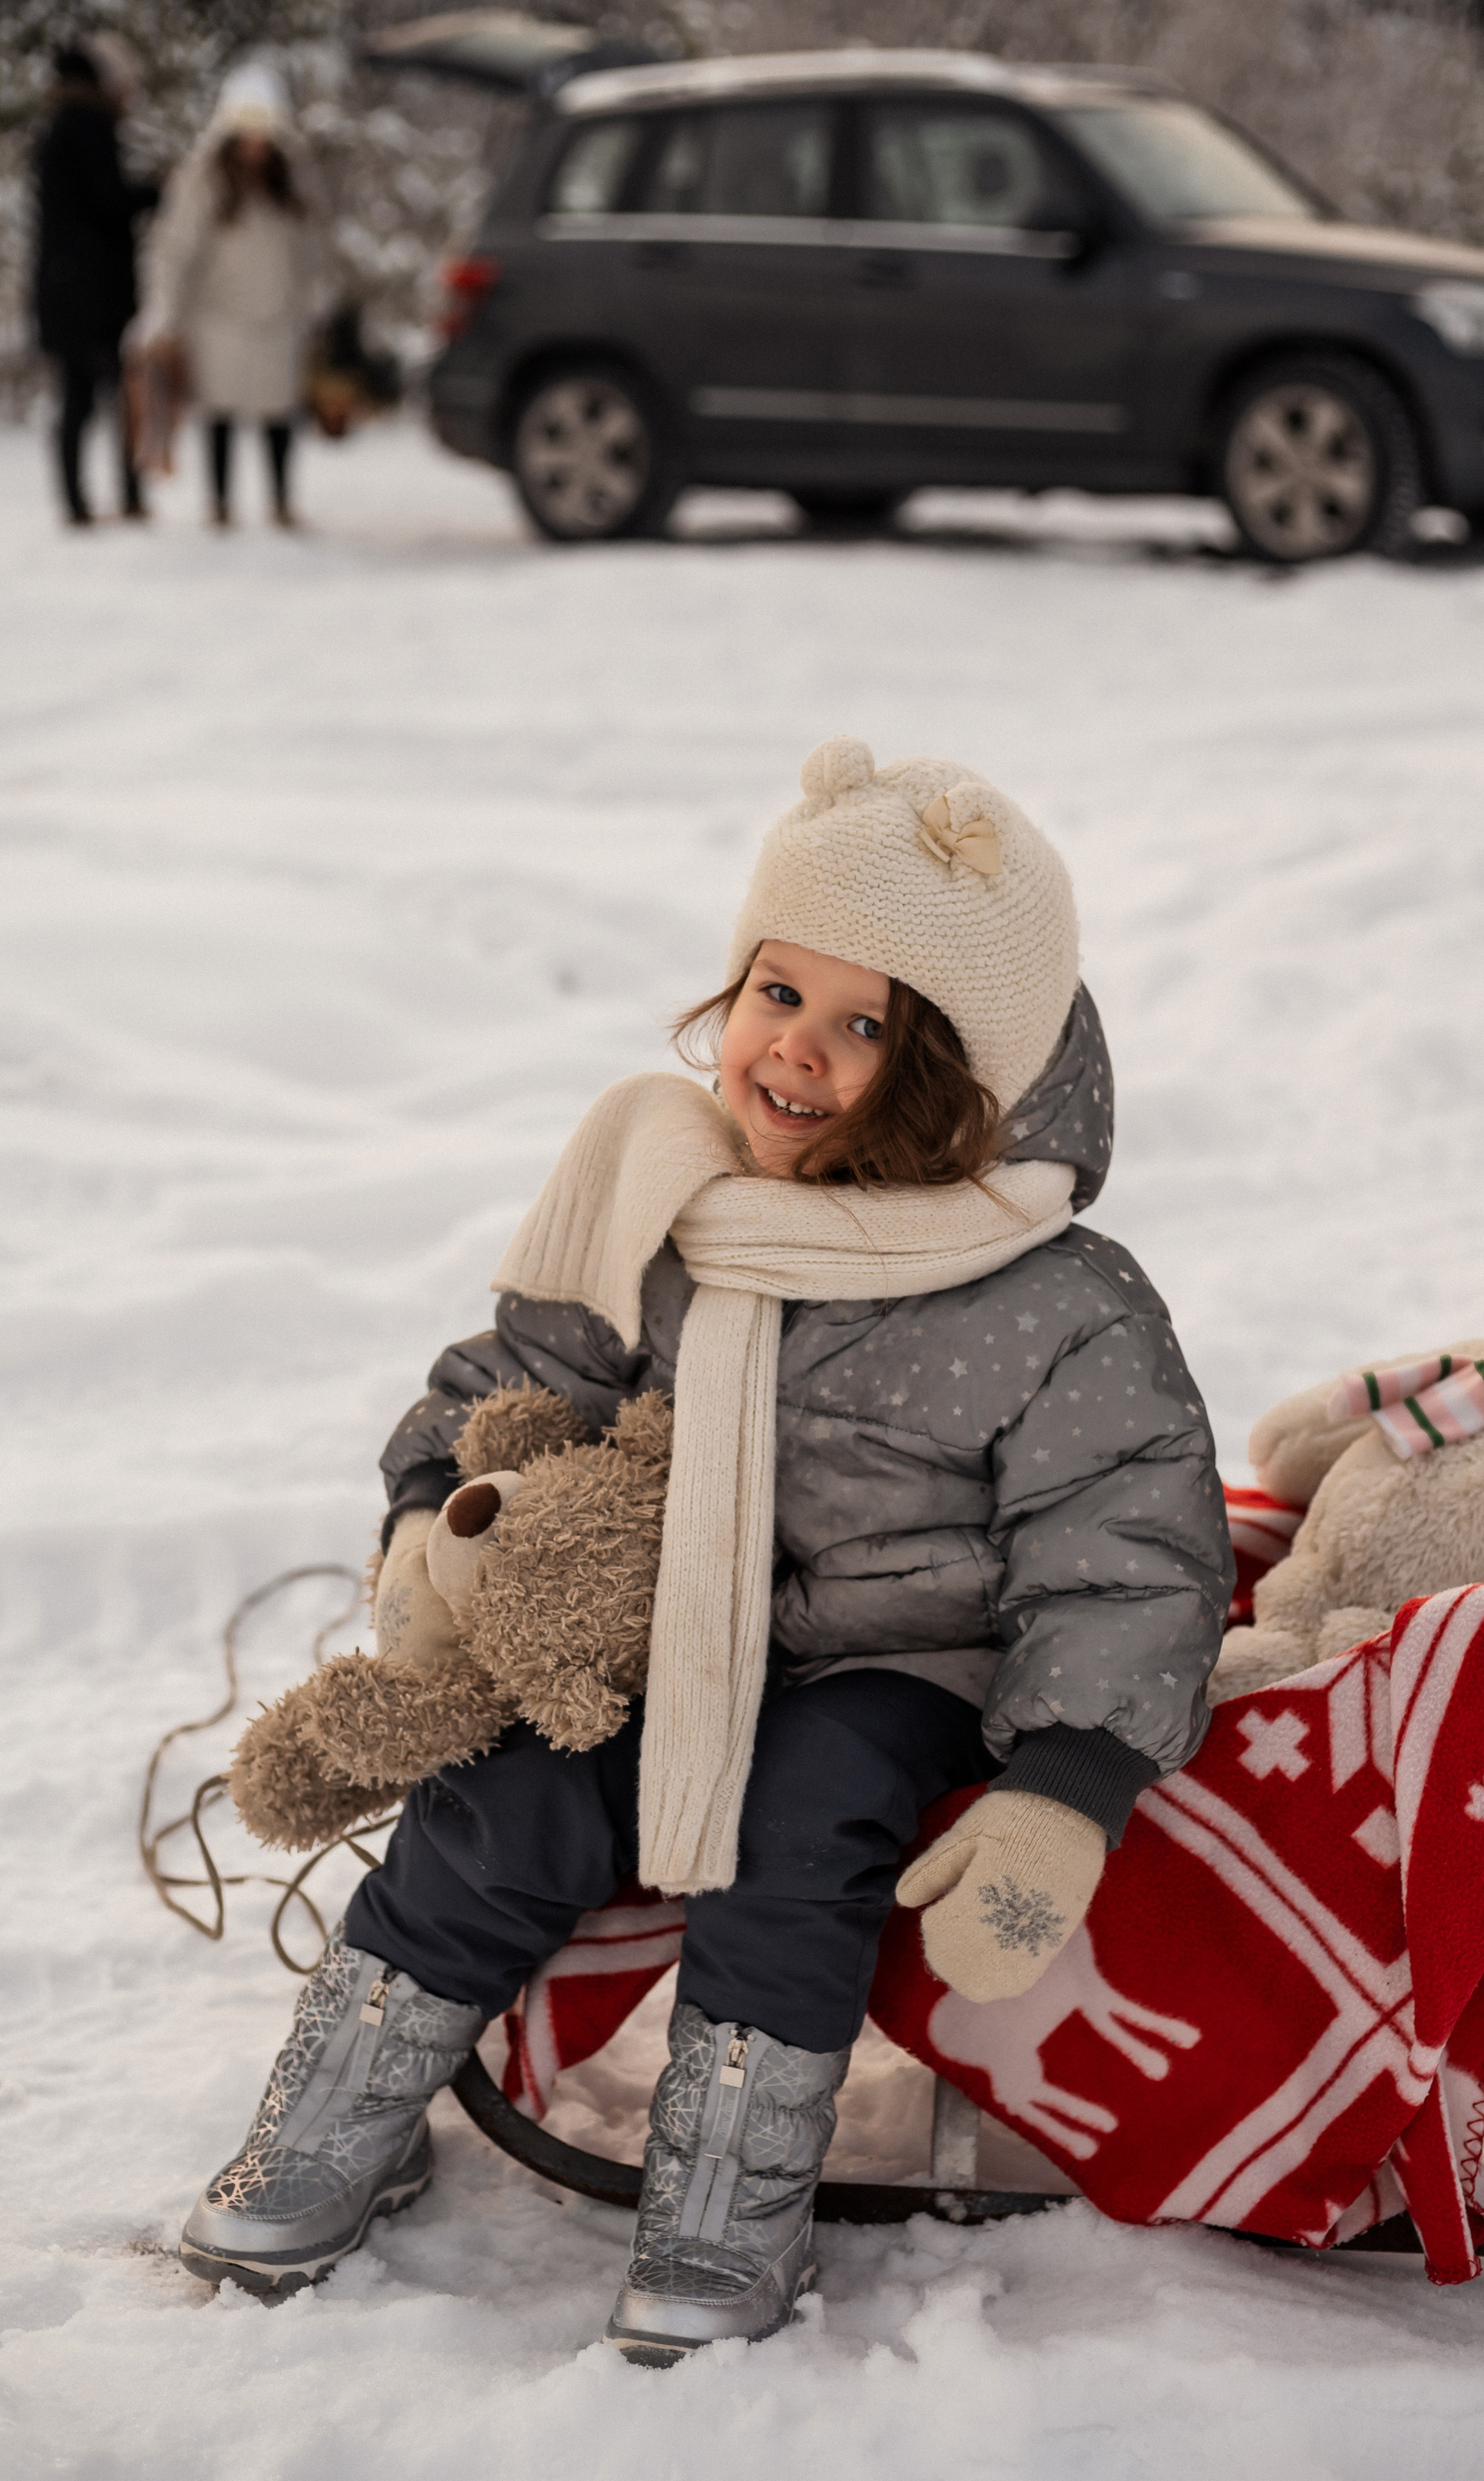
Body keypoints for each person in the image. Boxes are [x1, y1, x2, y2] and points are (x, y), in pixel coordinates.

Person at [177, 738, 1234, 2357]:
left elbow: (1131, 1548)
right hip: (664, 1627)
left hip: (894, 1656)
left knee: (796, 1811)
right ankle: (344, 2105)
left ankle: (729, 2193)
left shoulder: (1052, 1295)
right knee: (506, 1791)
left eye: (861, 1023)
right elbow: (512, 1390)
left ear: (953, 1068)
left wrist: (1064, 1782)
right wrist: (426, 1521)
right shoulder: (668, 1193)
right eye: (771, 991)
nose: (791, 1052)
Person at [138, 72, 317, 527]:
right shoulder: (201, 182)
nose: (255, 146)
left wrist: (316, 302)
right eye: (247, 135)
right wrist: (166, 311)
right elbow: (173, 251)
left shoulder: (294, 182)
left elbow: (313, 249)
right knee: (221, 412)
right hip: (217, 318)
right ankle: (219, 506)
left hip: (278, 315)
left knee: (279, 414)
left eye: (264, 136)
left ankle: (281, 503)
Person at [31, 37, 158, 526]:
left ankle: (76, 501)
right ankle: (125, 494)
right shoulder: (87, 125)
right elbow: (109, 199)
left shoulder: (59, 124)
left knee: (77, 398)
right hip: (95, 293)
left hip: (64, 289)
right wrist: (156, 192)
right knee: (115, 394)